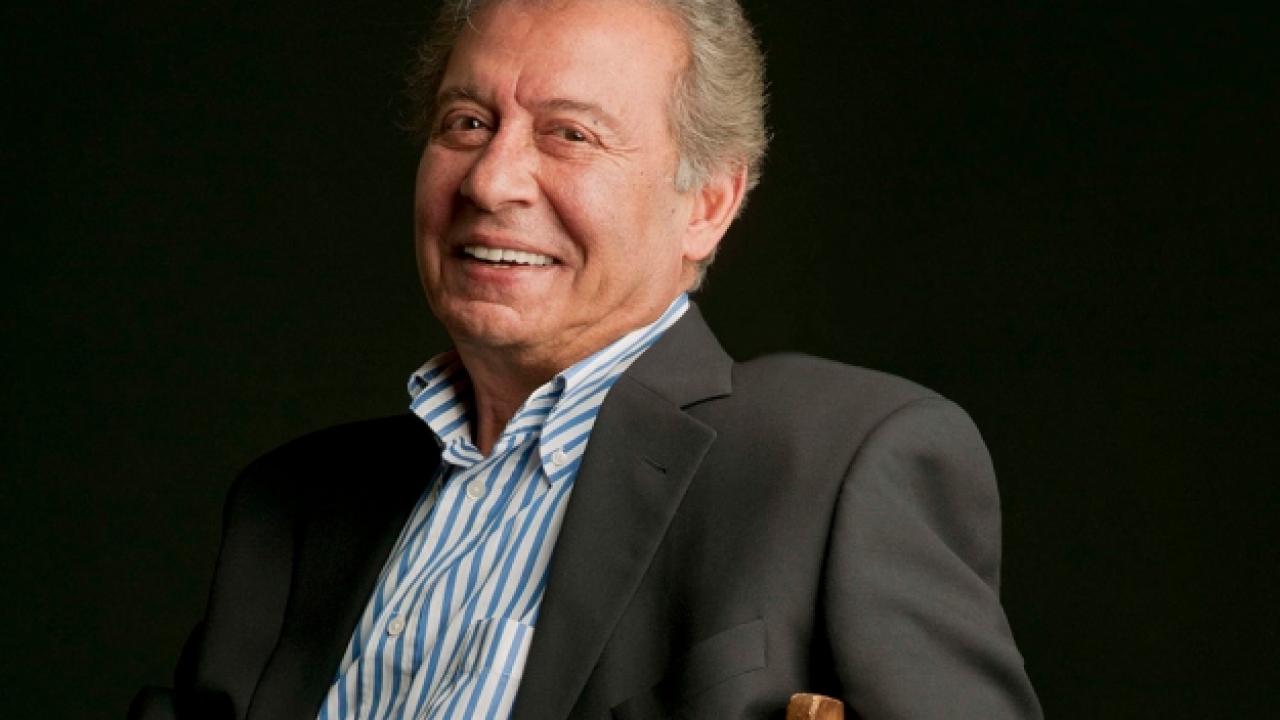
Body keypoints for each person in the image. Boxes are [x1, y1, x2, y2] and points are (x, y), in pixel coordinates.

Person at [130, 0, 1042, 718]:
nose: (490, 180)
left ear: (708, 204)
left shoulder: (837, 464)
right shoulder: (290, 505)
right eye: (466, 121)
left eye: (569, 134)